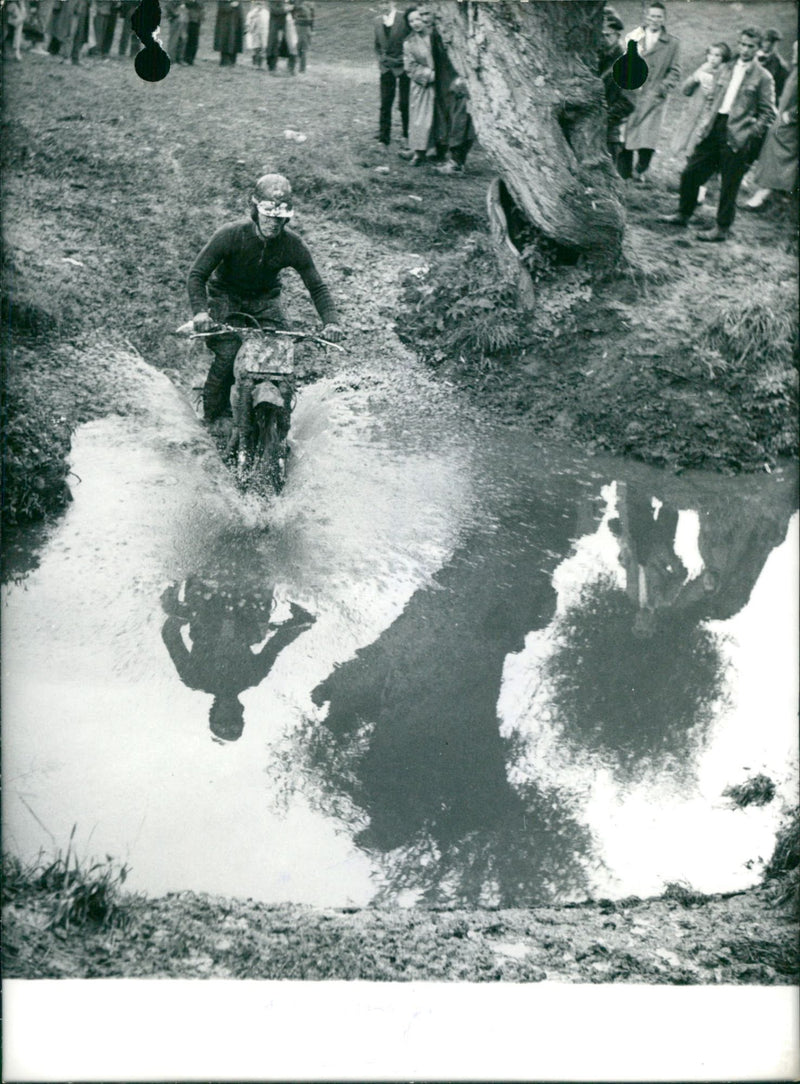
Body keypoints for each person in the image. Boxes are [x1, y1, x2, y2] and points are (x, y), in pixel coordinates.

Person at [187, 173, 343, 422]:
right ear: (256, 209)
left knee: (279, 359)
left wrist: (331, 322)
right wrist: (201, 312)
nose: (273, 222)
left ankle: (279, 428)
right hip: (226, 297)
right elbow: (197, 275)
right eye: (268, 214)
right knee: (229, 353)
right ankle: (212, 419)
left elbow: (317, 286)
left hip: (266, 302)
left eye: (280, 218)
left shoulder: (292, 244)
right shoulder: (231, 234)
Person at [161, 578, 315, 743]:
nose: (229, 713)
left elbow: (170, 636)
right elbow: (276, 644)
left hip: (207, 605)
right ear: (240, 712)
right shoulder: (252, 677)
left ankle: (181, 576)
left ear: (213, 713)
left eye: (224, 718)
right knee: (257, 632)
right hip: (248, 606)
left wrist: (179, 615)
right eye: (234, 718)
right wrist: (301, 624)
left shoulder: (194, 678)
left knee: (176, 604)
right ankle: (262, 573)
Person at [660, 27, 776, 241]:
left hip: (737, 133)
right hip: (715, 127)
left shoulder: (763, 77)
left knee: (729, 183)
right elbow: (714, 96)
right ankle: (683, 213)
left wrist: (749, 133)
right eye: (742, 44)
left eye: (750, 46)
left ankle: (722, 228)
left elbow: (768, 112)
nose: (745, 49)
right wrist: (707, 121)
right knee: (691, 172)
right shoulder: (727, 68)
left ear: (758, 49)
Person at [619, 1, 681, 183]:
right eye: (652, 16)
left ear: (664, 19)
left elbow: (675, 70)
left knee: (648, 137)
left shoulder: (672, 43)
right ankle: (625, 174)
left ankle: (641, 168)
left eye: (659, 16)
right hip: (633, 93)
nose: (655, 19)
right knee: (626, 134)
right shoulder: (634, 37)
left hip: (655, 96)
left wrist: (662, 88)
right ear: (646, 17)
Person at [671, 41, 731, 203]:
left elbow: (719, 99)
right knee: (688, 153)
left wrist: (711, 92)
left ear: (724, 58)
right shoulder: (703, 69)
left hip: (706, 119)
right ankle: (690, 188)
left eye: (717, 55)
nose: (713, 58)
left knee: (698, 154)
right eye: (710, 54)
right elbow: (685, 90)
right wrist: (695, 78)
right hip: (692, 117)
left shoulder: (725, 75)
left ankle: (699, 190)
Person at [746, 40, 798, 209]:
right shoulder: (795, 71)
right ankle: (770, 193)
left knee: (781, 156)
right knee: (772, 153)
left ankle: (765, 195)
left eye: (797, 51)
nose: (794, 55)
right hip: (783, 121)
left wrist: (790, 116)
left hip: (790, 125)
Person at [598, 14, 634, 169]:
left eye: (607, 35)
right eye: (601, 35)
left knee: (608, 169)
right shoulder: (596, 56)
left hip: (610, 128)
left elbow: (629, 101)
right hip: (590, 126)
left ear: (617, 35)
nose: (603, 38)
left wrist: (607, 117)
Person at [374, 0, 410, 149]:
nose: (383, 6)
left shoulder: (404, 18)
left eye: (386, 2)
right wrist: (381, 59)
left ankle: (407, 136)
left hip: (403, 66)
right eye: (380, 3)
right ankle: (383, 138)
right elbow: (377, 44)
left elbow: (411, 39)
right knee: (385, 102)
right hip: (387, 67)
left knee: (405, 103)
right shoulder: (376, 21)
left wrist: (405, 58)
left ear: (393, 2)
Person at [402, 6, 435, 166]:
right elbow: (410, 66)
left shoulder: (437, 37)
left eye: (418, 19)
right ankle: (418, 151)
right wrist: (429, 75)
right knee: (420, 119)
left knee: (439, 117)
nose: (415, 23)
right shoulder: (409, 42)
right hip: (422, 85)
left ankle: (438, 150)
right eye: (411, 21)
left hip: (441, 84)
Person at [265, 0, 296, 73]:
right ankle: (272, 67)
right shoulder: (272, 2)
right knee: (274, 46)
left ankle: (291, 68)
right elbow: (274, 10)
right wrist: (286, 9)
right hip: (276, 27)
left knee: (291, 46)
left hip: (287, 26)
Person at [758, 27, 788, 99]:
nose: (765, 44)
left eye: (769, 41)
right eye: (764, 40)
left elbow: (779, 89)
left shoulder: (780, 65)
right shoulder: (753, 55)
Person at [213, 0, 243, 65]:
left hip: (235, 23)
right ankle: (225, 60)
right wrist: (231, 6)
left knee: (234, 41)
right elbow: (222, 8)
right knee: (225, 41)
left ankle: (233, 60)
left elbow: (240, 12)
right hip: (225, 24)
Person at [245, 0, 269, 66]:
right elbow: (248, 22)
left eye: (261, 4)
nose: (259, 6)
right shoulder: (252, 13)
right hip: (255, 31)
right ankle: (255, 61)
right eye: (258, 4)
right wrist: (249, 28)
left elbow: (268, 23)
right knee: (256, 46)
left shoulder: (266, 13)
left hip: (264, 31)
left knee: (263, 46)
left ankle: (260, 62)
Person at [293, 0, 311, 72]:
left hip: (303, 30)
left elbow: (307, 20)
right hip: (300, 30)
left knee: (302, 50)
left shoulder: (304, 9)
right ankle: (299, 68)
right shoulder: (301, 9)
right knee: (299, 50)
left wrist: (296, 20)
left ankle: (301, 68)